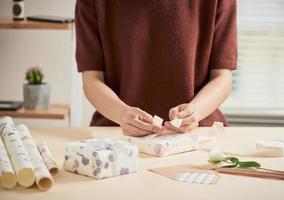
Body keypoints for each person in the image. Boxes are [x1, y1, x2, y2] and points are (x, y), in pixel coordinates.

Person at [75, 0, 237, 136]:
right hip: (117, 135)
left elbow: (222, 76)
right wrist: (121, 114)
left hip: (200, 136)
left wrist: (196, 111)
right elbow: (92, 79)